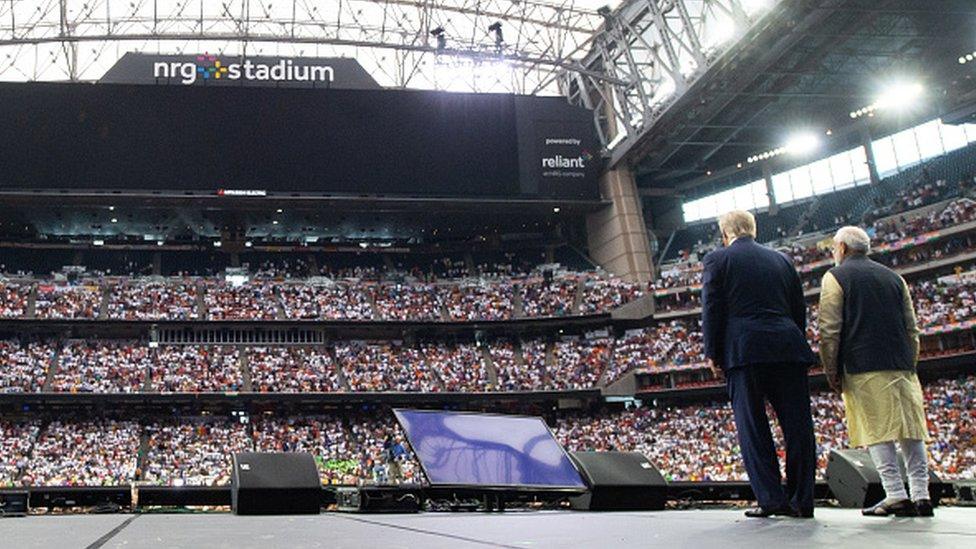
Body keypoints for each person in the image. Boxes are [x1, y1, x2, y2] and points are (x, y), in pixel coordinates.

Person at [701, 210, 818, 518]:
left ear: (725, 234)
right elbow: (798, 309)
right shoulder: (782, 259)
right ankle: (802, 500)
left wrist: (713, 352)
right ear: (753, 229)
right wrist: (793, 340)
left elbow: (712, 309)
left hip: (744, 350)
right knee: (799, 427)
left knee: (753, 427)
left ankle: (772, 499)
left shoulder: (718, 260)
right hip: (787, 346)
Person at [818, 226, 933, 517]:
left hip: (863, 365)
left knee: (877, 431)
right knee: (911, 431)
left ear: (842, 248)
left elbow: (829, 331)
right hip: (902, 364)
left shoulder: (835, 277)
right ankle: (921, 495)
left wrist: (831, 369)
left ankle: (895, 494)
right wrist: (911, 361)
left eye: (834, 247)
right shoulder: (895, 278)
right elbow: (912, 329)